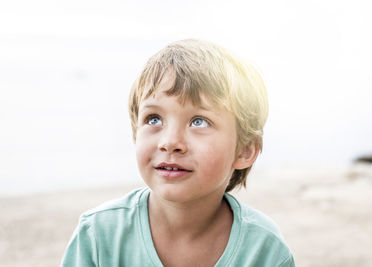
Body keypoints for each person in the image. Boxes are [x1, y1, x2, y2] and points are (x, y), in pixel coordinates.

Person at [61, 39, 295, 267]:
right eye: (154, 119)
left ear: (244, 150)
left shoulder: (265, 251)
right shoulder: (98, 235)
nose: (170, 142)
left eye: (199, 122)